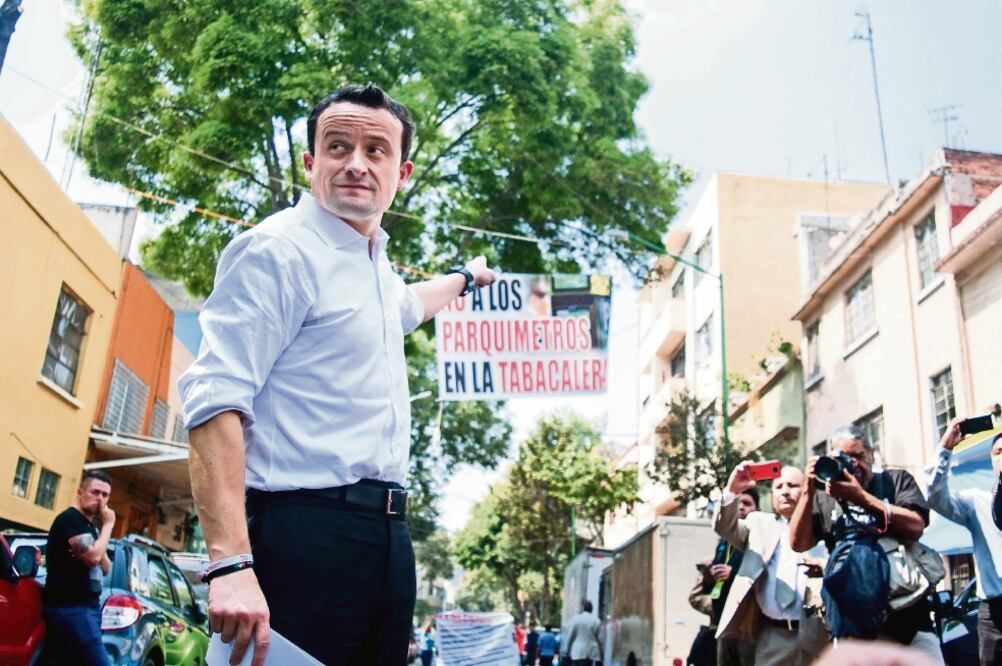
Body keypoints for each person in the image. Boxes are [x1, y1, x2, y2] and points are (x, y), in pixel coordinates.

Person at [179, 84, 498, 666]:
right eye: (338, 146)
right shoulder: (277, 251)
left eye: (376, 150)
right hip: (302, 539)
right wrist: (230, 564)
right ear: (311, 162)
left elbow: (411, 305)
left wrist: (465, 278)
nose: (356, 163)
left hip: (387, 544)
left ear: (400, 173)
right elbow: (213, 399)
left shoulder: (373, 267)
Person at [789, 425, 943, 662]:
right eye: (842, 457)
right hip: (854, 631)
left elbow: (916, 526)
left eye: (858, 455)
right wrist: (808, 491)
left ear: (871, 454)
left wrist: (860, 498)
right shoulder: (825, 497)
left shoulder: (894, 481)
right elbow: (798, 543)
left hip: (909, 622)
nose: (853, 464)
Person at [714, 464, 828, 666]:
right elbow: (725, 527)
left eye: (793, 485)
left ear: (807, 490)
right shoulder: (760, 524)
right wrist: (732, 490)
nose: (785, 491)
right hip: (773, 637)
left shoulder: (824, 525)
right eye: (779, 486)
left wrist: (823, 567)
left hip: (817, 636)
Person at [926, 420, 1002, 665]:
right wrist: (945, 448)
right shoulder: (977, 502)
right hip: (994, 611)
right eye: (998, 452)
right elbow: (934, 496)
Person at [42, 470, 115, 666]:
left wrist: (96, 546)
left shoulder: (89, 527)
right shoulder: (70, 519)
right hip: (71, 609)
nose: (100, 499)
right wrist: (108, 526)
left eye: (105, 495)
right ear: (80, 492)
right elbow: (94, 558)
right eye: (95, 492)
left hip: (88, 607)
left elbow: (106, 567)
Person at [692, 487, 758, 666]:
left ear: (757, 509)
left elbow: (759, 576)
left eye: (747, 504)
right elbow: (709, 591)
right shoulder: (723, 543)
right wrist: (709, 578)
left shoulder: (757, 540)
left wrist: (733, 574)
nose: (741, 507)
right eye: (739, 503)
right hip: (723, 624)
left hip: (746, 627)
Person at [562, 600, 601, 666]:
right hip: (591, 652)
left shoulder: (575, 619)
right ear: (591, 609)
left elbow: (570, 636)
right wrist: (601, 653)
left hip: (577, 652)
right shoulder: (596, 621)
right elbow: (599, 639)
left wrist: (567, 649)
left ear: (583, 608)